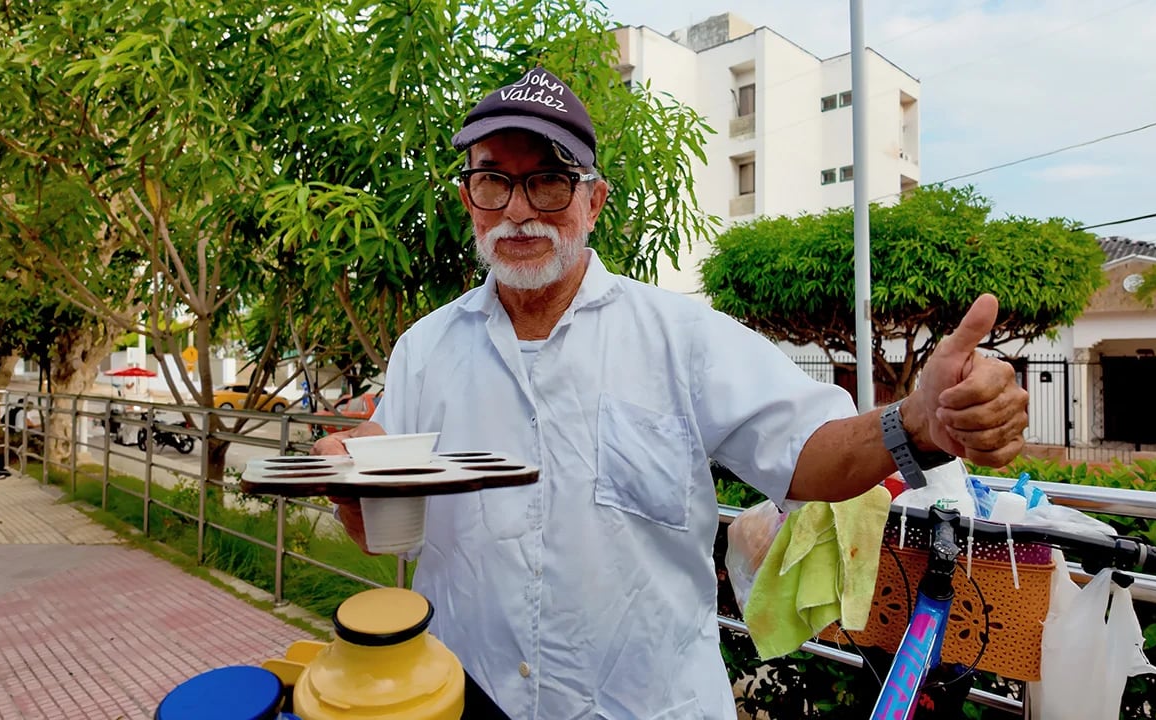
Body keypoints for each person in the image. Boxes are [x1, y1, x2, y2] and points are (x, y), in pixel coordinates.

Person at [316, 67, 1028, 719]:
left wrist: (919, 418)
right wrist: (353, 486)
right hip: (466, 698)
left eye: (549, 181)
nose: (518, 209)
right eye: (493, 181)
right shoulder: (425, 351)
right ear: (469, 197)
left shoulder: (678, 336)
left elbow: (809, 452)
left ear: (593, 201)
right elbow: (385, 534)